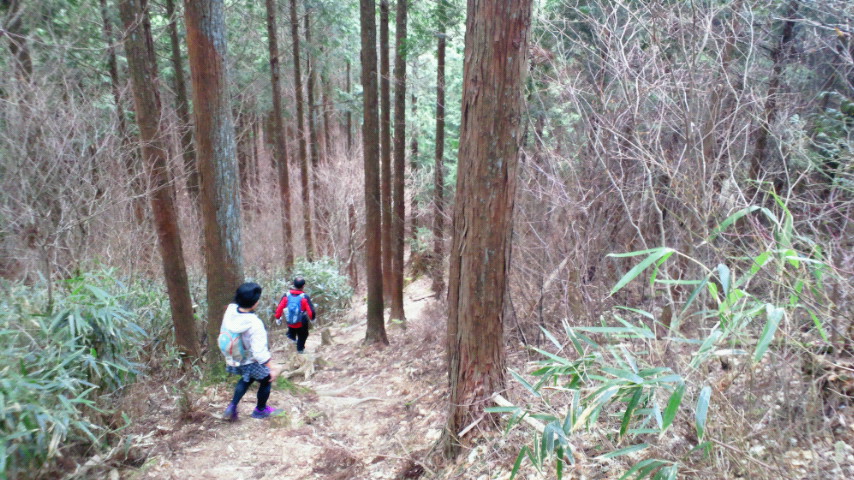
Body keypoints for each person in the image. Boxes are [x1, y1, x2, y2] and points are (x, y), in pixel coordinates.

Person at [220, 282, 280, 421]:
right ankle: (260, 409)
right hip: (250, 359)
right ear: (255, 303)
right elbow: (259, 353)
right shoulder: (254, 323)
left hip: (233, 357)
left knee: (248, 378)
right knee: (266, 379)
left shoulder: (230, 310)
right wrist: (272, 367)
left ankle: (232, 406)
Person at [274, 276, 316, 354]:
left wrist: (277, 317)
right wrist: (312, 319)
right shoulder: (304, 297)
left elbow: (279, 307)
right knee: (303, 335)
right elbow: (310, 311)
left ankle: (292, 349)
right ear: (303, 286)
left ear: (294, 284)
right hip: (301, 322)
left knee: (291, 334)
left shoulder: (286, 295)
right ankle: (300, 350)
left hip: (290, 321)